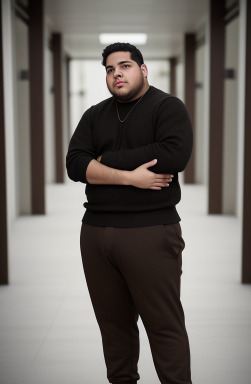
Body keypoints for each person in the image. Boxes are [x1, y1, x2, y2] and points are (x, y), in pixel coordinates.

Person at [66, 42, 193, 384]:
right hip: (95, 234)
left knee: (164, 326)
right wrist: (130, 178)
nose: (117, 73)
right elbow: (75, 164)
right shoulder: (95, 114)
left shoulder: (167, 107)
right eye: (110, 69)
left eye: (125, 66)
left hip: (150, 231)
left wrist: (103, 161)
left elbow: (173, 155)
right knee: (114, 329)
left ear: (143, 69)